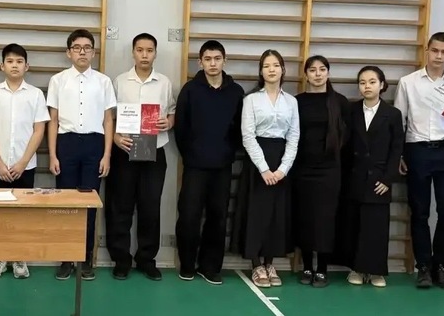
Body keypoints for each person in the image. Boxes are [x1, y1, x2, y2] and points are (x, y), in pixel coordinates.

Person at [394, 32, 444, 290]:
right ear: (427, 50)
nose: (439, 56)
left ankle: (440, 265)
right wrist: (400, 154)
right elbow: (400, 121)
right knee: (419, 212)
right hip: (417, 150)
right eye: (435, 50)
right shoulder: (408, 82)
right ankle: (424, 267)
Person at [47, 29, 116, 280]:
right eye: (77, 47)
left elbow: (108, 120)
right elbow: (53, 120)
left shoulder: (103, 81)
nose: (82, 52)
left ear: (94, 52)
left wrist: (106, 155)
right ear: (69, 52)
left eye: (87, 47)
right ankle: (66, 259)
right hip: (66, 144)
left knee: (89, 204)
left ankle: (86, 259)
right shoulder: (58, 80)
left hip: (94, 144)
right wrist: (53, 155)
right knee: (65, 204)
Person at [106, 33, 176, 281]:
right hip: (124, 150)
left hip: (154, 151)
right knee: (120, 207)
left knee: (150, 207)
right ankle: (121, 259)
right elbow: (109, 116)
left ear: (155, 53)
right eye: (140, 50)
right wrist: (115, 137)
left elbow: (171, 112)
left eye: (149, 50)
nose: (144, 55)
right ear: (133, 52)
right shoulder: (119, 81)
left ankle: (146, 259)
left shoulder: (164, 82)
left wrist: (168, 122)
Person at [174, 40, 245, 285]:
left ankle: (210, 266)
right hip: (195, 165)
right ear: (200, 62)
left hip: (222, 166)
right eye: (207, 59)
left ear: (224, 60)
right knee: (189, 216)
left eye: (217, 58)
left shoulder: (236, 92)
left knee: (218, 218)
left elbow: (240, 128)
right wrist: (190, 154)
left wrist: (228, 151)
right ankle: (187, 264)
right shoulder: (190, 90)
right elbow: (181, 127)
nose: (212, 63)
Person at [0, 43, 49, 280]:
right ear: (2, 66)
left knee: (23, 213)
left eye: (19, 62)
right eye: (10, 61)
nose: (14, 65)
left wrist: (22, 162)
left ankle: (20, 257)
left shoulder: (36, 94)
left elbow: (39, 130)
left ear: (26, 66)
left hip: (25, 166)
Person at [236, 49, 299, 288]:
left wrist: (283, 169)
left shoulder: (291, 101)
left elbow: (294, 137)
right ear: (261, 71)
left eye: (276, 65)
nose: (271, 69)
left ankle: (270, 263)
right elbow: (247, 136)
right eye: (266, 66)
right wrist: (264, 169)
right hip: (257, 162)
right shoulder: (251, 100)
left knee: (276, 214)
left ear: (283, 69)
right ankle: (256, 264)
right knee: (257, 212)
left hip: (281, 161)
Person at [339, 66, 404, 287]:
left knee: (376, 227)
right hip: (355, 177)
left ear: (382, 85)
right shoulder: (351, 110)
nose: (367, 86)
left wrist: (388, 179)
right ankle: (356, 269)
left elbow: (396, 149)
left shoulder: (392, 114)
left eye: (372, 82)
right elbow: (345, 145)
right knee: (355, 225)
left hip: (379, 179)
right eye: (362, 82)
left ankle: (376, 271)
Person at [292, 56, 349, 287]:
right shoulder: (297, 101)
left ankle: (323, 269)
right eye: (313, 70)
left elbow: (348, 137)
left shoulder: (339, 102)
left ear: (328, 73)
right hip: (302, 169)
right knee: (305, 217)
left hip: (329, 170)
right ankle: (307, 267)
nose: (317, 74)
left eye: (322, 69)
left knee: (325, 219)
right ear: (306, 74)